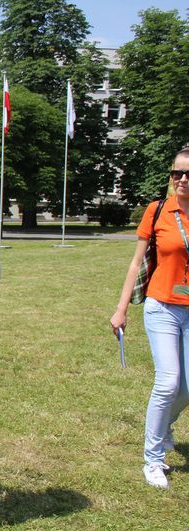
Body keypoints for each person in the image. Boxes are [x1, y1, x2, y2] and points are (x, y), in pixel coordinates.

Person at [111, 146, 189, 490]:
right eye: (177, 174)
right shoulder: (158, 211)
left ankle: (165, 426)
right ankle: (153, 458)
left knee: (187, 388)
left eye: (188, 175)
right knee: (169, 381)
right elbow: (135, 263)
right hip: (162, 306)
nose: (182, 180)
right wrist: (121, 308)